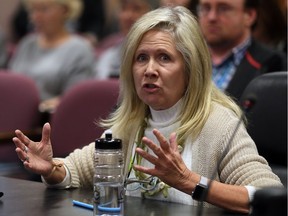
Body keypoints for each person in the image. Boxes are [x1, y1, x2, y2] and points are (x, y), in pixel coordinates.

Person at [13, 6, 282, 213]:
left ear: (190, 69)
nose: (149, 70)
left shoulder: (218, 124)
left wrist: (190, 182)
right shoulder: (131, 123)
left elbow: (270, 197)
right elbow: (76, 170)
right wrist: (50, 168)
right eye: (141, 58)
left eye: (164, 58)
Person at [8, 0, 95, 112]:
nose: (35, 16)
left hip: (48, 120)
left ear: (65, 10)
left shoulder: (80, 49)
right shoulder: (26, 44)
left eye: (44, 9)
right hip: (14, 113)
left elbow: (75, 99)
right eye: (33, 10)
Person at [197, 0, 287, 102]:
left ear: (249, 16)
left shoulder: (275, 65)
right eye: (206, 8)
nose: (211, 17)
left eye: (223, 9)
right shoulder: (185, 58)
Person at [94, 0, 159, 79]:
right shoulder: (108, 57)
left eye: (136, 9)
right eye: (123, 8)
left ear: (154, 14)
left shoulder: (162, 56)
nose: (127, 16)